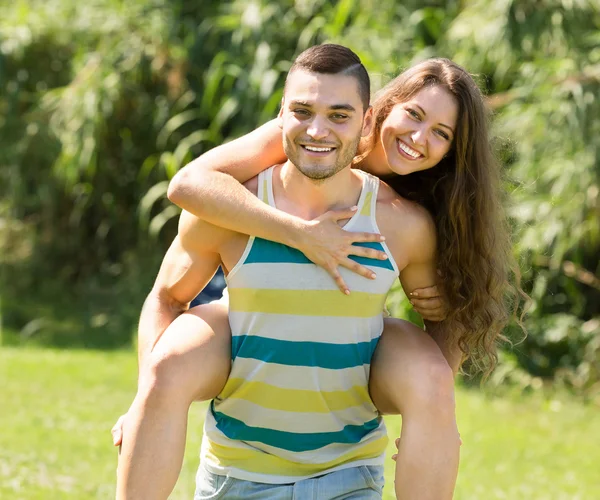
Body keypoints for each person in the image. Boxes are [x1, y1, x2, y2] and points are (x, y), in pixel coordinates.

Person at [116, 44, 462, 500]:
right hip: (236, 477)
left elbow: (444, 323)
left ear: (366, 118)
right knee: (170, 358)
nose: (318, 129)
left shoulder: (407, 224)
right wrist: (146, 400)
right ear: (282, 113)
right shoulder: (225, 206)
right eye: (303, 111)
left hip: (349, 477)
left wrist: (435, 415)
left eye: (339, 115)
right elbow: (167, 295)